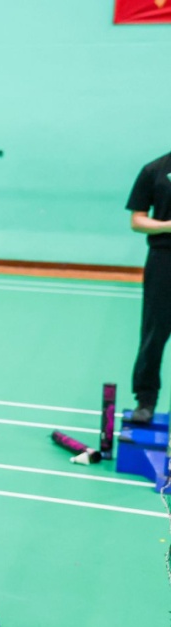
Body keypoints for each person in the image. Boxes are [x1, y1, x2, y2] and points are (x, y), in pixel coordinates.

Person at [125, 148, 171, 423]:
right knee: (154, 333)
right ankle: (145, 399)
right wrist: (167, 226)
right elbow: (137, 220)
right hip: (164, 259)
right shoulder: (155, 170)